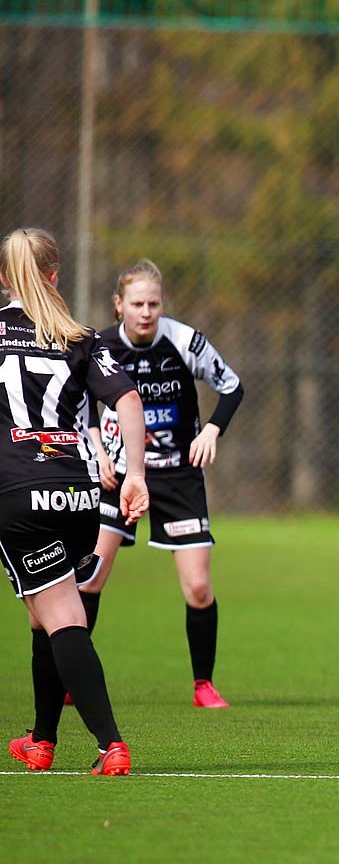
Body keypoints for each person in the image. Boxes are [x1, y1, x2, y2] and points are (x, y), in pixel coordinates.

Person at [3, 227, 150, 775]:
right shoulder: (82, 337)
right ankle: (41, 741)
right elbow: (129, 400)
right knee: (47, 613)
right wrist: (135, 474)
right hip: (77, 496)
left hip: (17, 494)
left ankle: (111, 743)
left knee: (60, 615)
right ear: (54, 275)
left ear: (2, 278)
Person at [81, 259, 244, 709]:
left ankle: (203, 685)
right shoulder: (99, 346)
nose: (146, 312)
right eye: (137, 303)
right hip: (116, 473)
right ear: (119, 305)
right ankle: (72, 679)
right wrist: (96, 451)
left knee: (198, 588)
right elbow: (76, 402)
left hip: (176, 474)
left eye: (153, 303)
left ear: (162, 305)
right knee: (90, 577)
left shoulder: (184, 341)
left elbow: (231, 387)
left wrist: (211, 430)